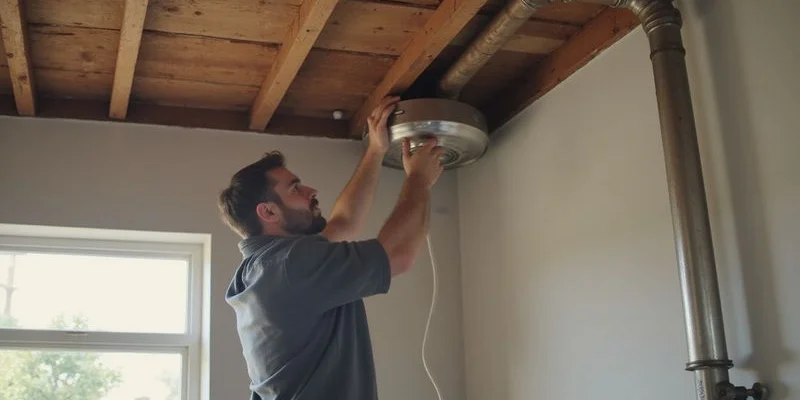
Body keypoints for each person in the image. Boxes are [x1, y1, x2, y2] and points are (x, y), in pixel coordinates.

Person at [218, 96, 445, 400]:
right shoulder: (289, 265)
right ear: (268, 212)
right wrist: (419, 179)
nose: (311, 191)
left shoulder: (264, 267)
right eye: (295, 188)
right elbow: (398, 255)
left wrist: (376, 150)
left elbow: (344, 223)